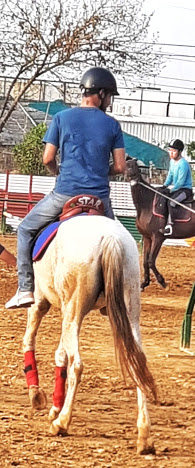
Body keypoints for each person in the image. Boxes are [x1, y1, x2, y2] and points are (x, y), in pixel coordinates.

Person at [5, 67, 126, 309]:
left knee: (26, 230)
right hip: (99, 198)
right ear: (100, 93)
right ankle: (114, 299)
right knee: (120, 242)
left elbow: (48, 158)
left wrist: (60, 173)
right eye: (110, 96)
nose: (110, 101)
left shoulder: (61, 118)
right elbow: (121, 166)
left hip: (65, 193)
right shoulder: (112, 124)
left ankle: (26, 288)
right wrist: (103, 171)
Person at [161, 139, 193, 236]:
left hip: (185, 190)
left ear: (179, 152)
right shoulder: (172, 162)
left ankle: (170, 225)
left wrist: (170, 190)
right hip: (177, 189)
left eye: (174, 151)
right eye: (170, 150)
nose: (171, 153)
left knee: (172, 202)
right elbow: (170, 176)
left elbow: (180, 182)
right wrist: (164, 186)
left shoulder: (183, 164)